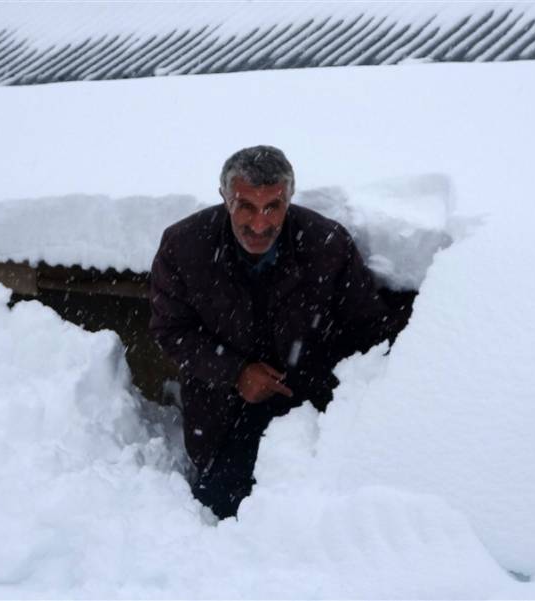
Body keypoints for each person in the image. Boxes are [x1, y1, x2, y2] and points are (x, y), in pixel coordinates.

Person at [149, 145, 399, 519]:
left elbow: (367, 330)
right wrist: (235, 373)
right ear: (224, 198)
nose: (260, 223)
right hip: (224, 410)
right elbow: (171, 330)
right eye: (245, 206)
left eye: (272, 206)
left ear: (289, 198)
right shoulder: (184, 247)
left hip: (310, 405)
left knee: (317, 515)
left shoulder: (326, 244)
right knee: (220, 511)